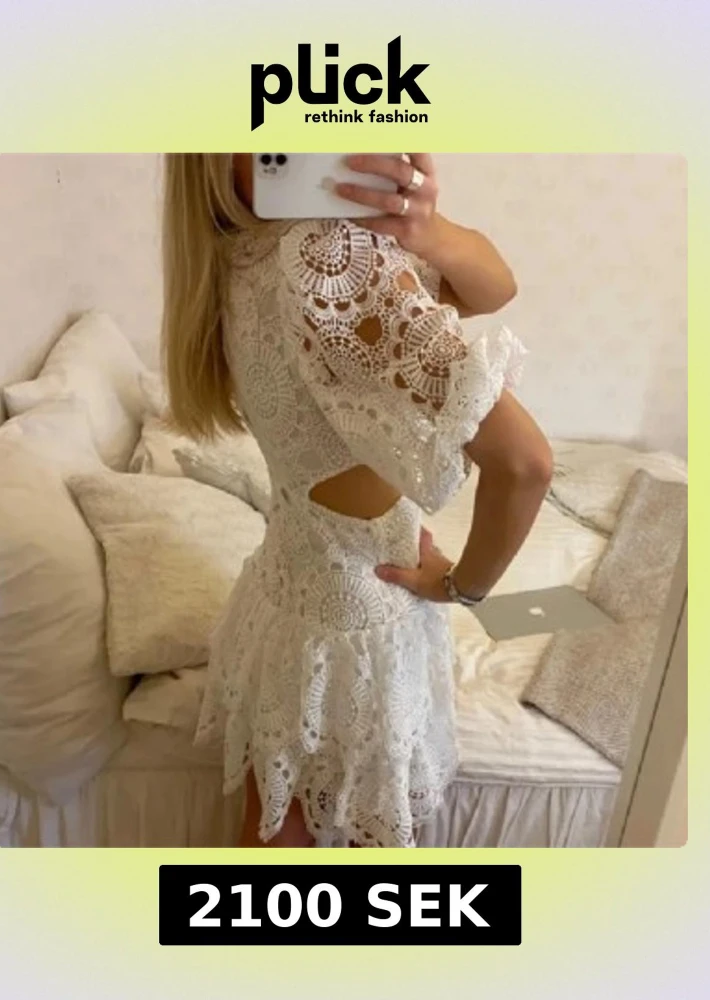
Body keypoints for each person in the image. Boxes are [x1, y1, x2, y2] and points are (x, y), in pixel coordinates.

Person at [160, 153, 553, 848]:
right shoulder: (326, 257)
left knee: (275, 828)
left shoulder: (243, 248)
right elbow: (524, 465)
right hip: (356, 620)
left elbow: (494, 288)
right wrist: (462, 587)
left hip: (291, 587)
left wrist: (426, 229)